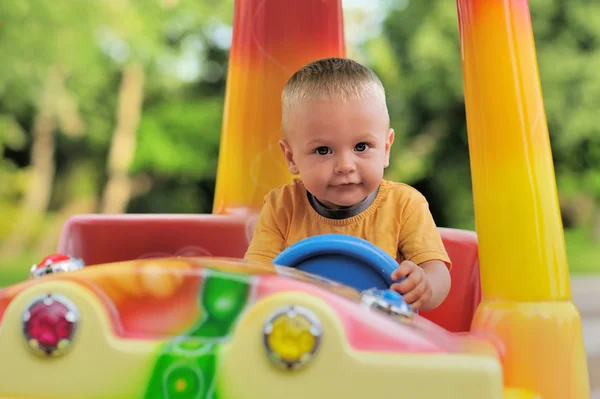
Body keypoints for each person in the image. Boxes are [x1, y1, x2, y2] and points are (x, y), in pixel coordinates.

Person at [244, 57, 451, 311]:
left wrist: (425, 285)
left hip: (385, 338)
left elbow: (438, 274)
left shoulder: (406, 205)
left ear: (386, 149)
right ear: (291, 157)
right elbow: (253, 278)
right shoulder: (281, 207)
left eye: (361, 147)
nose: (345, 165)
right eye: (323, 150)